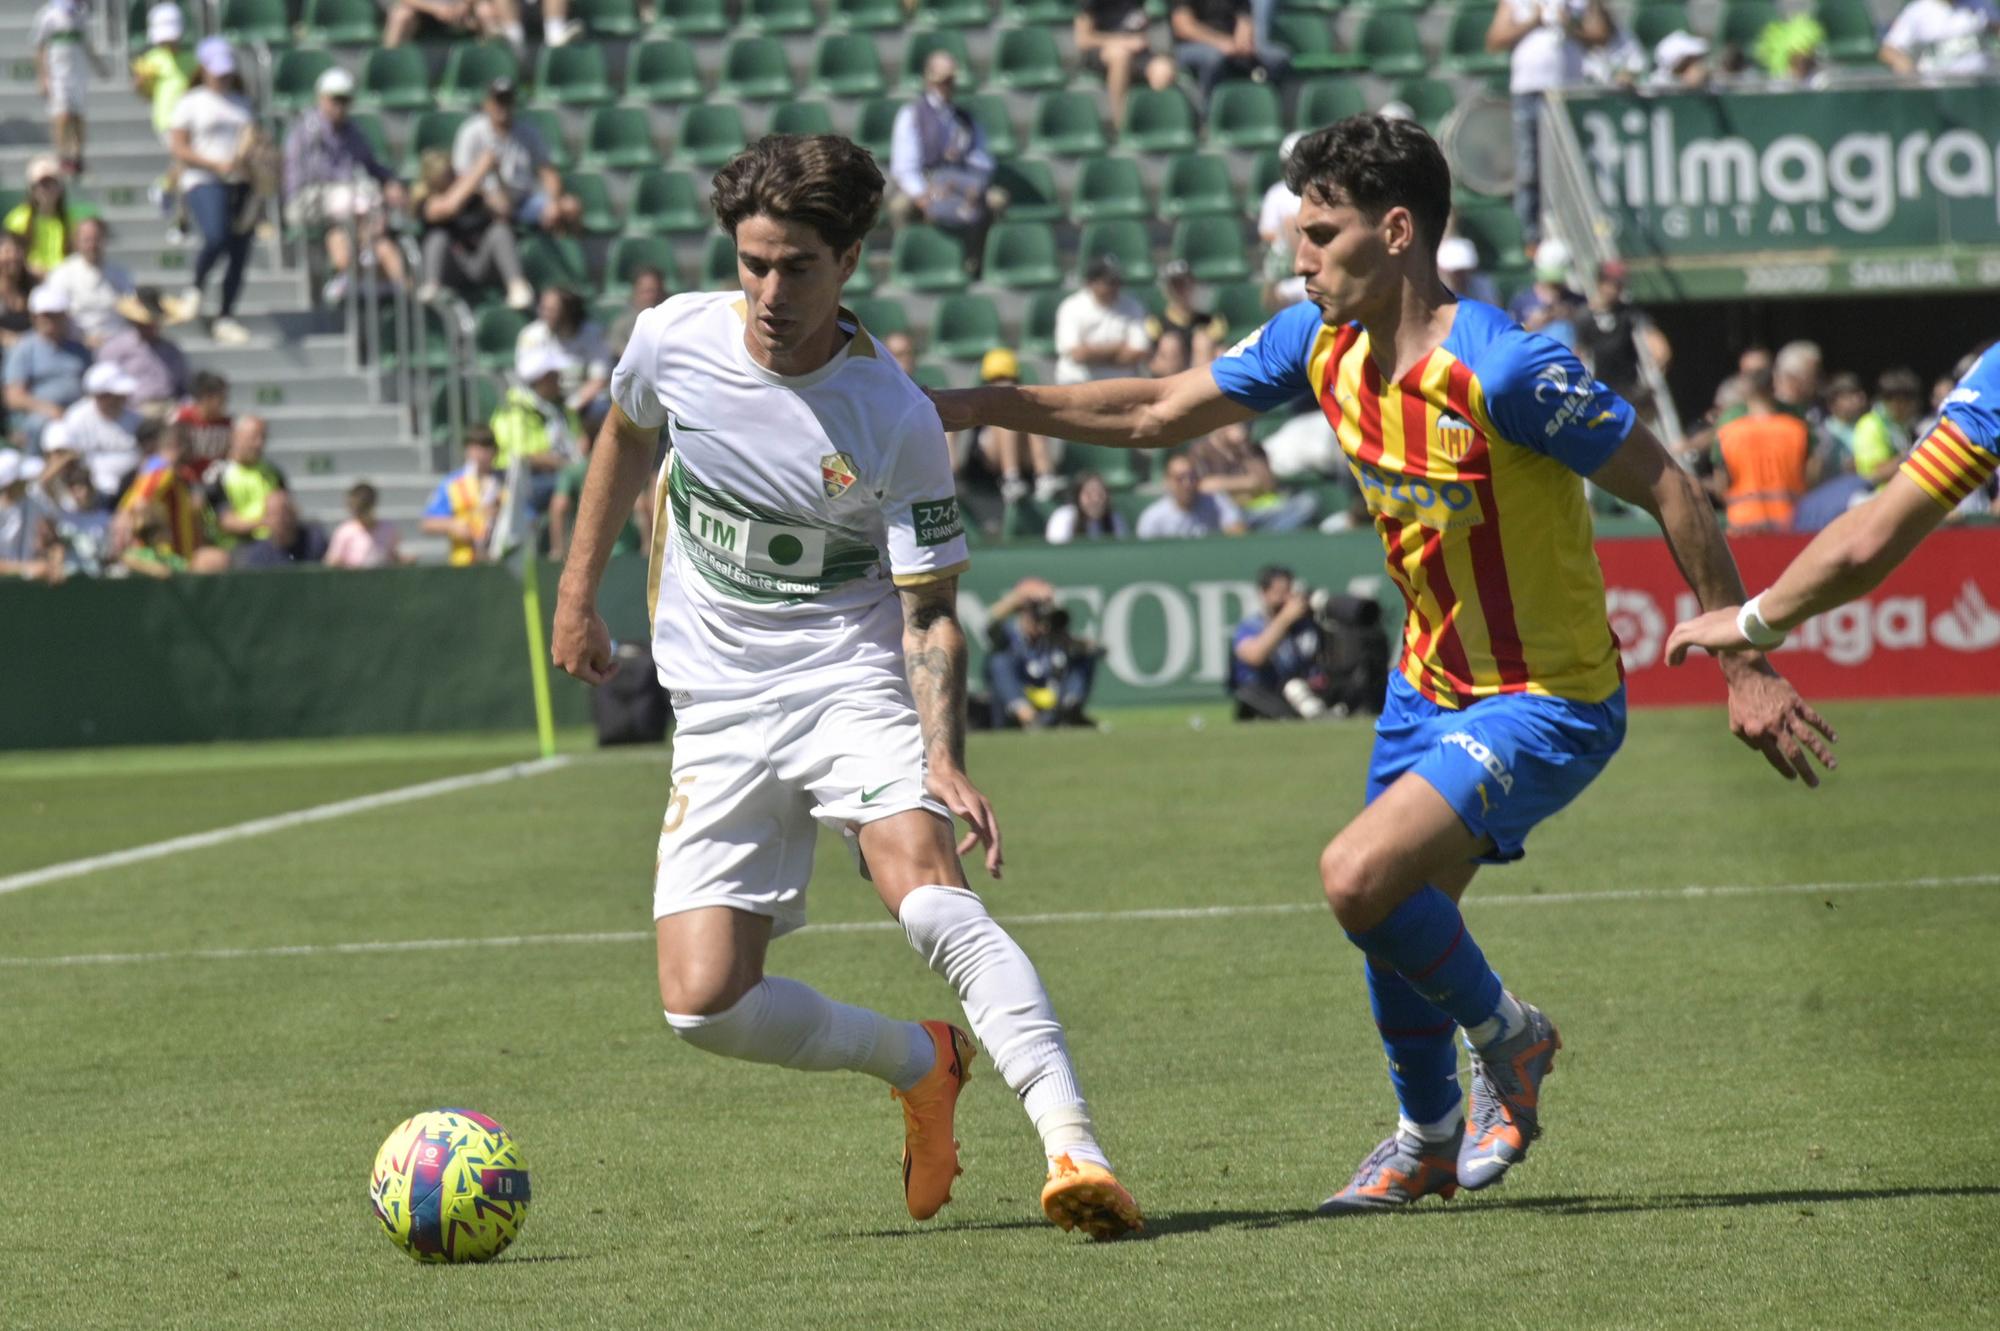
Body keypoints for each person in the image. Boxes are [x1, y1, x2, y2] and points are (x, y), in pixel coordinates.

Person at [932, 114, 1830, 1213]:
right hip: (1425, 683)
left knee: (1357, 875)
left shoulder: (1505, 370)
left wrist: (1741, 654)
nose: (1294, 255)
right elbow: (1159, 409)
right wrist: (977, 404)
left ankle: (1511, 1037)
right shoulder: (1320, 345)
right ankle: (1425, 1137)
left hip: (1543, 696)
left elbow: (1672, 485)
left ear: (1394, 229)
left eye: (1317, 232)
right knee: (1394, 918)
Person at [548, 133, 1143, 1240]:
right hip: (718, 701)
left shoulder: (894, 416)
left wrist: (943, 755)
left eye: (799, 267)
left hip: (845, 678)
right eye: (753, 263)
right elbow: (624, 438)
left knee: (927, 891)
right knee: (701, 1003)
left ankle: (1075, 1149)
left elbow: (925, 611)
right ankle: (920, 1059)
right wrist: (579, 593)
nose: (771, 292)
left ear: (852, 258)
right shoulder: (671, 340)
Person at [1667, 343, 1998, 664]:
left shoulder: (1993, 378)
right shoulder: (1796, 428)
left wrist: (1751, 621)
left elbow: (1866, 543)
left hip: (1749, 529)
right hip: (1787, 522)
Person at [1487, 0, 1612, 248]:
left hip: (1570, 94)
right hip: (1530, 91)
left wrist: (1570, 26)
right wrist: (1533, 21)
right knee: (1529, 169)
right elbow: (1494, 40)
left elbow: (1601, 35)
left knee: (1572, 168)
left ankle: (1573, 235)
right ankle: (1530, 240)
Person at [283, 67, 409, 305]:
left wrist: (390, 182)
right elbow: (302, 181)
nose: (340, 106)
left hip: (345, 210)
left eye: (345, 100)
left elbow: (371, 165)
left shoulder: (354, 132)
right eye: (335, 99)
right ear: (321, 98)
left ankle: (359, 272)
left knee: (361, 210)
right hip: (308, 200)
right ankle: (364, 258)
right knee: (359, 198)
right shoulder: (306, 131)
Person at [168, 38, 259, 345]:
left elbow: (252, 139)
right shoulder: (191, 103)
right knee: (216, 235)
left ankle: (226, 315)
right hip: (203, 179)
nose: (223, 78)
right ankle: (195, 287)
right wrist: (214, 163)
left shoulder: (242, 103)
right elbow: (179, 147)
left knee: (239, 251)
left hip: (240, 182)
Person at [887, 52, 1001, 264]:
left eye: (950, 80)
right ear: (929, 80)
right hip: (927, 180)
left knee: (996, 200)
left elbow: (982, 159)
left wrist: (974, 184)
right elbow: (904, 167)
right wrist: (923, 195)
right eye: (942, 81)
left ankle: (975, 261)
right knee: (899, 207)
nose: (947, 86)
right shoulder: (912, 115)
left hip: (961, 180)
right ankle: (908, 262)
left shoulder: (965, 118)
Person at [451, 79, 581, 236]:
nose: (503, 107)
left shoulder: (528, 132)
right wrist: (488, 198)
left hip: (524, 200)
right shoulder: (471, 132)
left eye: (507, 101)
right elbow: (461, 178)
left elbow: (547, 171)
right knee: (500, 209)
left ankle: (567, 254)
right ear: (487, 103)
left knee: (571, 207)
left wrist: (553, 203)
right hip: (486, 201)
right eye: (498, 101)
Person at [410, 148, 534, 310]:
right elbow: (448, 207)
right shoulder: (425, 201)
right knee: (437, 238)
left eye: (450, 172)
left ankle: (517, 286)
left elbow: (505, 210)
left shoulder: (471, 193)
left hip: (480, 262)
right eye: (444, 173)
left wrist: (496, 175)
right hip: (452, 267)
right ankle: (432, 286)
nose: (450, 177)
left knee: (500, 230)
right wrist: (480, 168)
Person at [982, 577, 1100, 729]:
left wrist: (1071, 641)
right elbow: (988, 623)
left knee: (1082, 656)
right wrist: (1017, 599)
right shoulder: (1008, 632)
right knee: (999, 660)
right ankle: (1025, 715)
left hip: (1050, 700)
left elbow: (1095, 649)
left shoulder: (1053, 634)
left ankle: (1071, 709)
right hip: (1016, 706)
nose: (1040, 622)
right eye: (1035, 613)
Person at [1710, 369, 1816, 533]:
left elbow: (1720, 484)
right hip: (1792, 522)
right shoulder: (1797, 429)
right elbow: (1812, 475)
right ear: (1773, 388)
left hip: (1743, 524)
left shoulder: (1728, 434)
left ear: (1746, 392)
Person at [492, 344, 585, 511]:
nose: (559, 379)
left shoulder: (561, 409)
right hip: (522, 480)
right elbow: (520, 455)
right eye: (554, 375)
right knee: (574, 485)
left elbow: (578, 438)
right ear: (540, 379)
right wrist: (563, 464)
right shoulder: (514, 410)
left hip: (559, 472)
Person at [131, 3, 197, 236]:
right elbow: (144, 93)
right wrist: (141, 83)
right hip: (168, 121)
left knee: (186, 169)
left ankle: (174, 205)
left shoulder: (191, 58)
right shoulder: (152, 59)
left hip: (190, 122)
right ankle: (167, 193)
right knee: (184, 164)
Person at [1231, 564, 1329, 720]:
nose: (1286, 599)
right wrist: (1285, 619)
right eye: (1279, 593)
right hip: (1268, 692)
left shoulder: (1305, 625)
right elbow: (1255, 656)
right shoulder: (1252, 625)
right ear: (1264, 593)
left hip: (1306, 687)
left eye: (1289, 592)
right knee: (1249, 692)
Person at [965, 347, 1061, 504]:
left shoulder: (1022, 400)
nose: (1003, 383)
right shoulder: (979, 400)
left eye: (1008, 378)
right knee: (1005, 419)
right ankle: (1011, 479)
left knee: (1031, 417)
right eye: (997, 379)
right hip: (988, 458)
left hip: (1025, 455)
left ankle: (1045, 476)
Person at [1573, 259, 1668, 411]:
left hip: (1629, 389)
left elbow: (1659, 347)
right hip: (1599, 390)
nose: (1616, 290)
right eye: (1612, 284)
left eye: (1620, 285)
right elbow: (1579, 352)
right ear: (1600, 283)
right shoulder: (1584, 316)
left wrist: (1652, 375)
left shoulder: (1629, 312)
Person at [5, 285, 90, 451]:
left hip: (76, 413)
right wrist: (50, 410)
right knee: (39, 425)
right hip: (39, 416)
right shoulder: (24, 348)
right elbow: (13, 397)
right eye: (46, 315)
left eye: (56, 315)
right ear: (34, 317)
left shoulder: (79, 349)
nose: (50, 320)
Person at [1170, 0, 1291, 110]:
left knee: (1278, 58)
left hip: (1230, 45)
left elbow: (1244, 18)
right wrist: (1221, 43)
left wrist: (1243, 40)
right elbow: (1183, 27)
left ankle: (1265, 112)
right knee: (1214, 58)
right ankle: (1207, 117)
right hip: (1191, 47)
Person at [516, 286, 612, 424]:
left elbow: (599, 379)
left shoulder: (594, 334)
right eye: (543, 308)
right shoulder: (531, 335)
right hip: (543, 402)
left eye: (551, 310)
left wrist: (572, 407)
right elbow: (526, 375)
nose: (544, 314)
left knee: (602, 410)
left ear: (568, 312)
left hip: (584, 403)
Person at [33, 0, 107, 176]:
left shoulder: (81, 16)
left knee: (78, 117)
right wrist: (43, 77)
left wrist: (99, 67)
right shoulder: (48, 15)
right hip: (57, 75)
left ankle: (77, 156)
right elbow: (40, 47)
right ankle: (62, 155)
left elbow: (88, 45)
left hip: (78, 74)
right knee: (62, 115)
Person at [1076, 0, 1179, 126]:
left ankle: (1157, 125)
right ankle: (1122, 125)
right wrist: (1123, 42)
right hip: (1104, 50)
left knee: (1164, 69)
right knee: (1120, 56)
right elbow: (1084, 40)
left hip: (1137, 51)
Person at [1055, 255, 1151, 387]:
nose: (1115, 287)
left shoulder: (1133, 306)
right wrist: (1117, 348)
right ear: (1090, 283)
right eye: (1109, 282)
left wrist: (1093, 353)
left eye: (1118, 281)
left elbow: (1138, 352)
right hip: (1078, 385)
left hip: (1121, 387)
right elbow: (1078, 354)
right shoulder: (1071, 307)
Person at [96, 288, 192, 420]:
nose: (151, 327)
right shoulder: (116, 348)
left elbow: (183, 387)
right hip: (133, 410)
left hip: (170, 408)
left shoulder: (172, 350)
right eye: (146, 323)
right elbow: (104, 384)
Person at [116, 418, 207, 557]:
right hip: (166, 558)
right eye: (188, 445)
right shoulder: (161, 472)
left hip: (182, 558)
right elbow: (138, 505)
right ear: (176, 446)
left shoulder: (181, 475)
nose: (192, 451)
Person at [41, 219, 135, 347]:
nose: (92, 245)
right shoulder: (61, 274)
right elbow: (54, 315)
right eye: (87, 240)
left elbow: (132, 310)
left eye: (96, 239)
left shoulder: (120, 274)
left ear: (104, 240)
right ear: (77, 242)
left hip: (116, 344)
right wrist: (84, 339)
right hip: (74, 345)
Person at [422, 426, 503, 566]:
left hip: (500, 563)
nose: (480, 454)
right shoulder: (453, 483)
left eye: (485, 448)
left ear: (495, 451)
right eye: (475, 448)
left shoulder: (505, 482)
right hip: (464, 563)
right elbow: (428, 523)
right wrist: (453, 525)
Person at [6, 156, 96, 278]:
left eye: (52, 184)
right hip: (28, 280)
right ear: (32, 189)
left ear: (60, 188)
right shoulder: (17, 220)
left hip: (66, 279)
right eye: (42, 184)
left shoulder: (72, 219)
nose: (47, 190)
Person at [208, 415, 287, 544]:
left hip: (273, 544)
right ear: (235, 437)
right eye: (253, 437)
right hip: (237, 547)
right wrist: (265, 523)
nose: (259, 443)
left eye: (263, 437)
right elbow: (225, 521)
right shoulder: (219, 474)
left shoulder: (273, 472)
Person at [1147, 260, 1228, 377]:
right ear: (1167, 289)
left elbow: (1221, 352)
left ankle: (1201, 391)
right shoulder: (1156, 322)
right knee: (1170, 343)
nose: (1182, 290)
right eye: (1176, 285)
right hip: (1170, 378)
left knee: (1203, 340)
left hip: (1204, 372)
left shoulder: (1212, 320)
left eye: (1186, 284)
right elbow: (1149, 362)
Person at [1135, 452, 1244, 537]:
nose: (1188, 483)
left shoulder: (1216, 501)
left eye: (1192, 477)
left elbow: (1237, 532)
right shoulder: (1153, 517)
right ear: (1168, 482)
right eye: (1180, 478)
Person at [1879, 0, 1998, 77]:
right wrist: (1904, 64)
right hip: (1936, 90)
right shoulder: (1918, 10)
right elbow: (1889, 50)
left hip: (1978, 89)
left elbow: (1996, 28)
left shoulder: (1980, 5)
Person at [1850, 366, 1926, 485]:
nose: (1914, 406)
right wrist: (1917, 456)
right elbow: (1874, 473)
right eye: (1909, 401)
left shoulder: (1902, 427)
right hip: (1875, 497)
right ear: (1897, 401)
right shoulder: (1870, 426)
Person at [0, 449, 62, 583]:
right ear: (10, 483)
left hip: (28, 591)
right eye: (22, 479)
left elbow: (53, 540)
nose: (27, 481)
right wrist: (26, 568)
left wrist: (56, 560)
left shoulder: (35, 500)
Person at [1505, 238, 1584, 344]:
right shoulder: (1521, 303)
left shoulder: (1578, 302)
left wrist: (1573, 316)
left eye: (1557, 281)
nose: (1553, 286)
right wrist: (1531, 325)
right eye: (1549, 281)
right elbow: (1510, 339)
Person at [231, 490, 327, 567]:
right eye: (274, 514)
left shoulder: (314, 542)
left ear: (294, 513)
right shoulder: (259, 555)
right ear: (265, 519)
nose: (280, 520)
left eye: (284, 513)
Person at [325, 481, 409, 568]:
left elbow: (392, 555)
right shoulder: (345, 531)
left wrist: (403, 560)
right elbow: (332, 561)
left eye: (363, 509)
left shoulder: (388, 528)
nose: (360, 514)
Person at [383, 0, 525, 51]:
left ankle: (496, 68)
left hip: (462, 12)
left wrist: (465, 4)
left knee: (486, 12)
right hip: (425, 12)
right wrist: (436, 9)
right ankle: (389, 71)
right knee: (401, 16)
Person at [171, 369, 232, 472]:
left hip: (214, 481)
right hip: (185, 478)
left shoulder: (226, 424)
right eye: (221, 398)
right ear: (206, 398)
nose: (224, 402)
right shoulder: (182, 419)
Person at [1044, 470, 1128, 543]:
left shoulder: (1115, 519)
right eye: (1089, 494)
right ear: (1078, 497)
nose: (1096, 499)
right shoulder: (1064, 517)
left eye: (1100, 494)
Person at [608, 267, 669, 363]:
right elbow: (615, 346)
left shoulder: (673, 317)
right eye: (646, 291)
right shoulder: (623, 322)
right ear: (636, 291)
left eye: (655, 290)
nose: (652, 296)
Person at [1436, 235, 1500, 306]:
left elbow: (1492, 311)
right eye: (1455, 271)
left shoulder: (1483, 287)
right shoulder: (1434, 289)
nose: (1460, 275)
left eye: (1464, 270)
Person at [0, 233, 35, 349]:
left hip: (29, 355)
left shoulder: (33, 289)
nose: (13, 257)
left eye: (17, 251)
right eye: (7, 251)